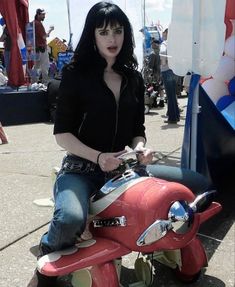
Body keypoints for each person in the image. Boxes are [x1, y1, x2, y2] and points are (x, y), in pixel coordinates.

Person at [27, 2, 211, 286]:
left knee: (196, 185)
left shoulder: (133, 78)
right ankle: (48, 252)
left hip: (125, 171)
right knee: (70, 220)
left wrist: (140, 148)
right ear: (93, 36)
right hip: (81, 168)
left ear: (125, 34)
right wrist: (99, 158)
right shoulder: (76, 76)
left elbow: (137, 130)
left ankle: (166, 246)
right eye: (103, 32)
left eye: (117, 31)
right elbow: (61, 135)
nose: (112, 39)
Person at [160, 28, 180, 123]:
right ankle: (176, 115)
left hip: (167, 70)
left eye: (164, 33)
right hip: (174, 70)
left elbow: (163, 52)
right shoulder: (175, 43)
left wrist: (164, 62)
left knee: (170, 95)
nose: (163, 34)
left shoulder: (165, 43)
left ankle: (172, 117)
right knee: (173, 94)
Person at [32, 8, 54, 85]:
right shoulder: (38, 24)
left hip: (36, 49)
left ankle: (33, 82)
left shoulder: (33, 23)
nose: (44, 16)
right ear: (38, 15)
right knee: (45, 66)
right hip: (41, 49)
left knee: (36, 67)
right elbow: (44, 36)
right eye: (43, 14)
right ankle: (45, 83)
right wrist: (50, 30)